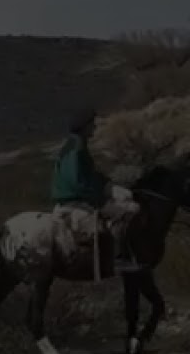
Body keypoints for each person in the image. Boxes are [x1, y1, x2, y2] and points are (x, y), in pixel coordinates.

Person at [51, 106, 140, 274]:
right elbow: (78, 182)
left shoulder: (73, 145)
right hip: (77, 203)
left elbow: (89, 176)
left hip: (74, 200)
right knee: (130, 211)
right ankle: (119, 259)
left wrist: (109, 185)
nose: (95, 127)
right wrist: (100, 199)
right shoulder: (76, 149)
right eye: (92, 124)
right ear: (84, 127)